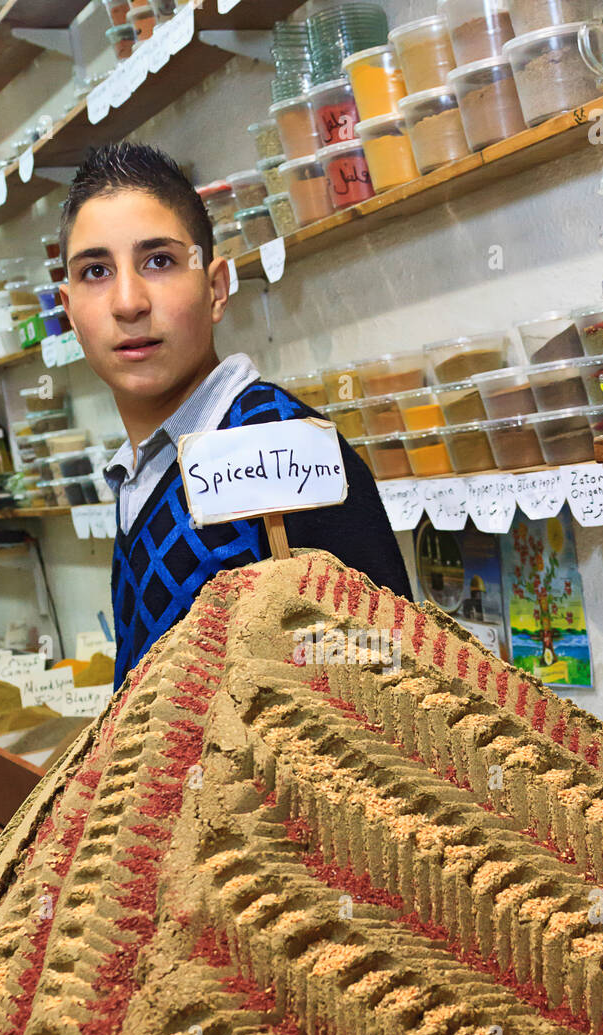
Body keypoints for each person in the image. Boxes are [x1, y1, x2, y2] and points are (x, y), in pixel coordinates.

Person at [58, 141, 412, 690]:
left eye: (159, 261)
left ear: (216, 288)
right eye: (96, 271)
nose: (128, 302)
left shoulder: (286, 444)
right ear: (70, 314)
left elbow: (391, 678)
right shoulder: (138, 469)